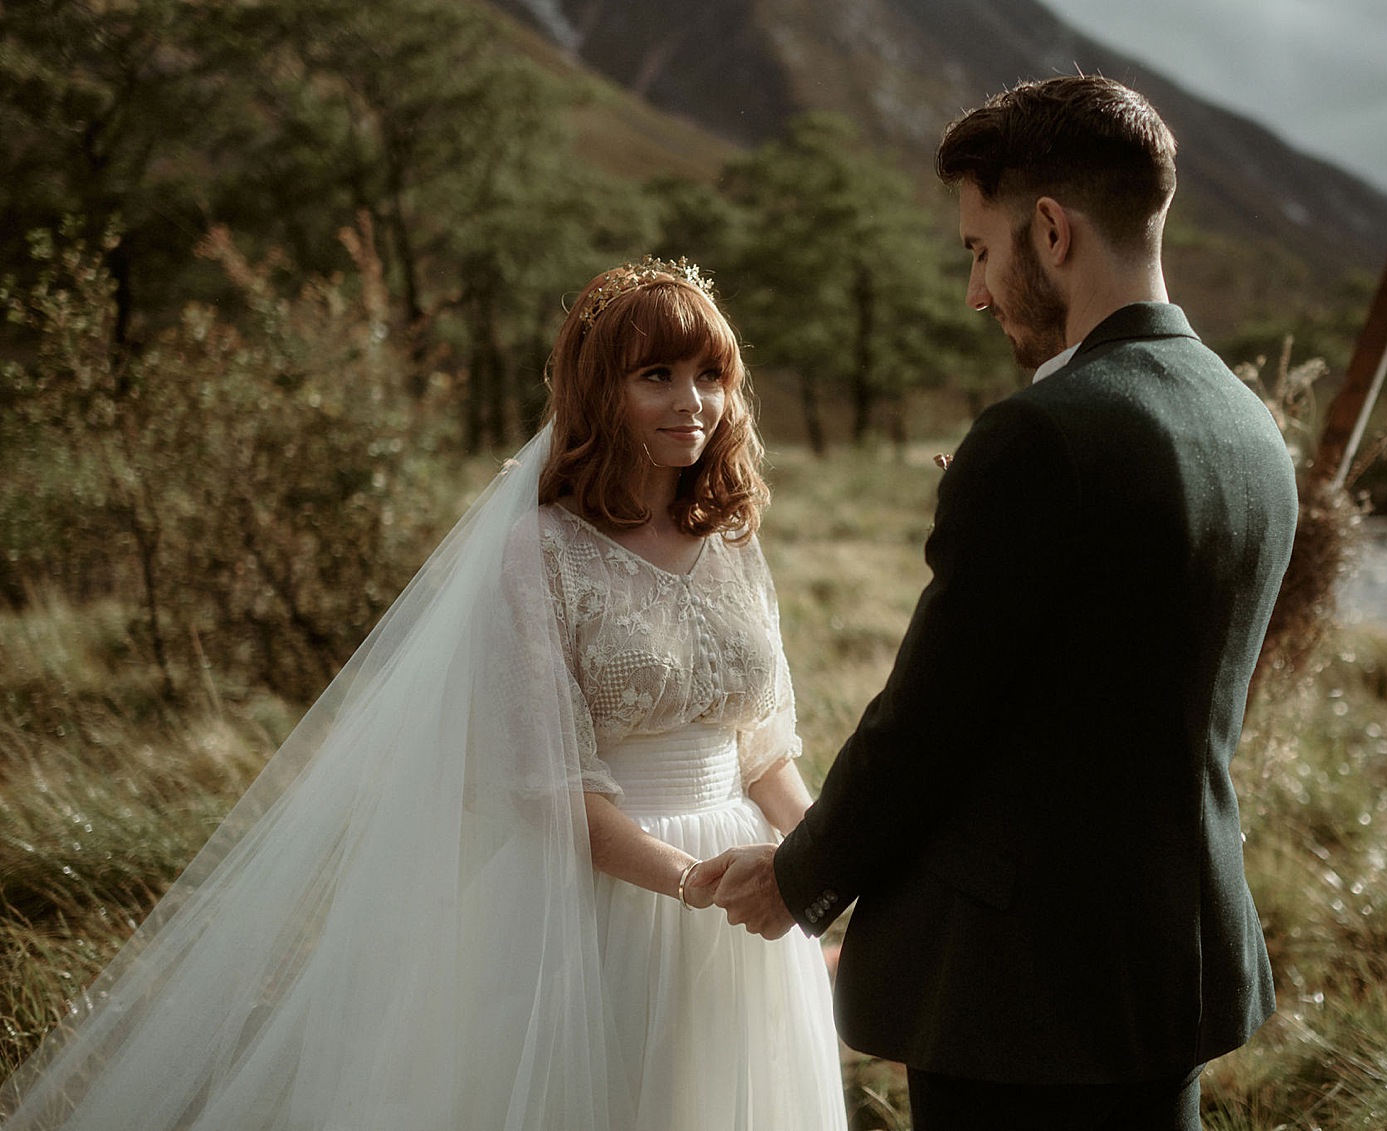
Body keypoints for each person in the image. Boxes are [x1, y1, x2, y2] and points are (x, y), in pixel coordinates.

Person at [0, 258, 847, 1131]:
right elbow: (553, 793)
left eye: (710, 374)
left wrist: (821, 857)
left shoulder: (734, 539)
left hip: (752, 907)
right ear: (602, 391)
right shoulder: (545, 551)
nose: (691, 402)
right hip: (610, 908)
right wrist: (697, 885)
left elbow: (764, 750)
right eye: (656, 376)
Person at [699, 75, 1300, 1131]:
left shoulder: (1045, 434)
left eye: (980, 249)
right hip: (1171, 960)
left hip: (1021, 986)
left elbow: (929, 718)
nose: (975, 292)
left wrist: (800, 876)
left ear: (1052, 231)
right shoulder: (1245, 425)